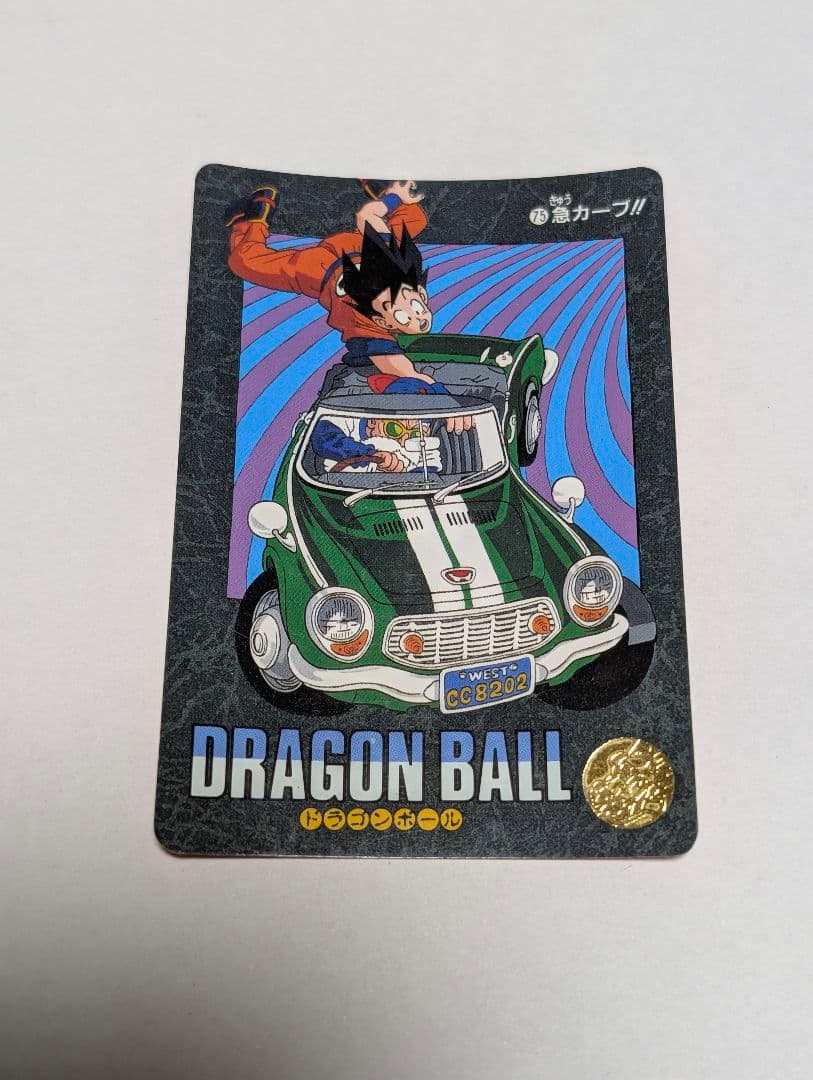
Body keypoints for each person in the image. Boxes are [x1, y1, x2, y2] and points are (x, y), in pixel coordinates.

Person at [226, 179, 440, 387]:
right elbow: (389, 360)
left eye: (405, 316)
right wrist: (394, 197)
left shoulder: (370, 317)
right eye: (416, 309)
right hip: (325, 264)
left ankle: (380, 186)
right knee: (244, 262)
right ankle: (255, 218)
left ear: (385, 323)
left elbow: (390, 360)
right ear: (420, 293)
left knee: (414, 217)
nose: (417, 318)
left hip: (340, 259)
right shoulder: (370, 315)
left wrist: (392, 199)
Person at [310, 415, 441, 475]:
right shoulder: (345, 417)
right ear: (373, 420)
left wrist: (403, 475)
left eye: (415, 434)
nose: (403, 441)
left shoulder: (423, 442)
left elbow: (429, 472)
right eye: (394, 429)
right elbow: (324, 437)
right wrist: (372, 455)